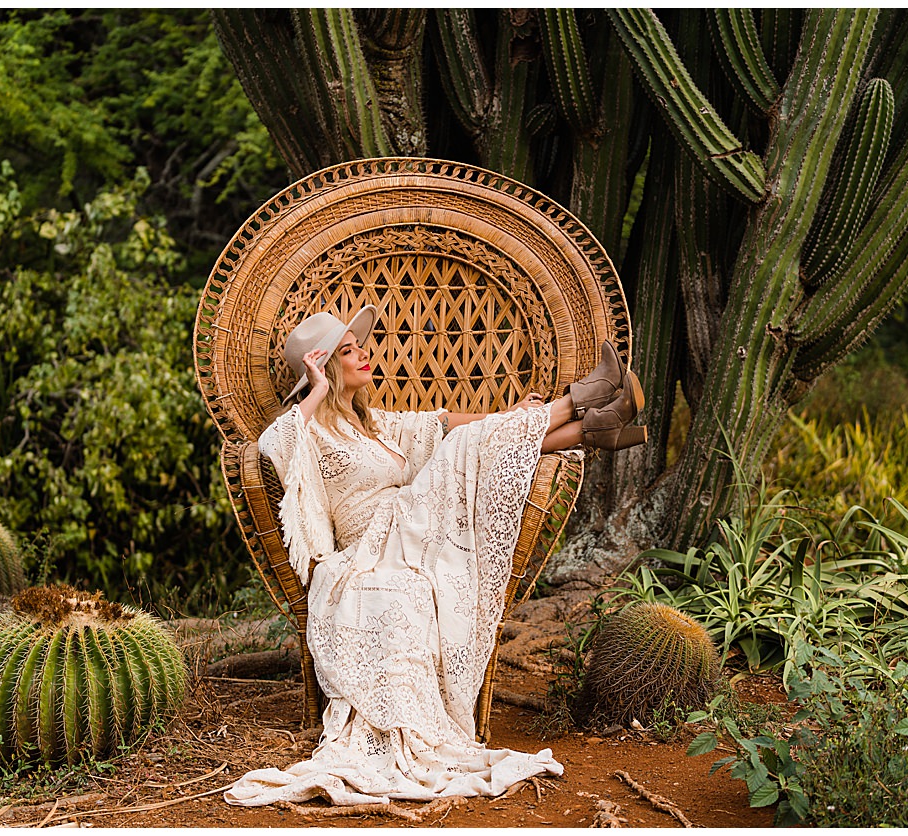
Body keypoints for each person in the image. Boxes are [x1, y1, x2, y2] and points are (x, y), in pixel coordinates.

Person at [226, 306, 644, 807]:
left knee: (471, 445)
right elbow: (273, 445)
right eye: (348, 352)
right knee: (464, 448)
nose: (364, 355)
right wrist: (314, 388)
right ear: (323, 368)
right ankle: (590, 410)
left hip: (414, 530)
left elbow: (442, 424)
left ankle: (594, 424)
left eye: (361, 347)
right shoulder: (309, 430)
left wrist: (514, 419)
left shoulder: (376, 425)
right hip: (370, 546)